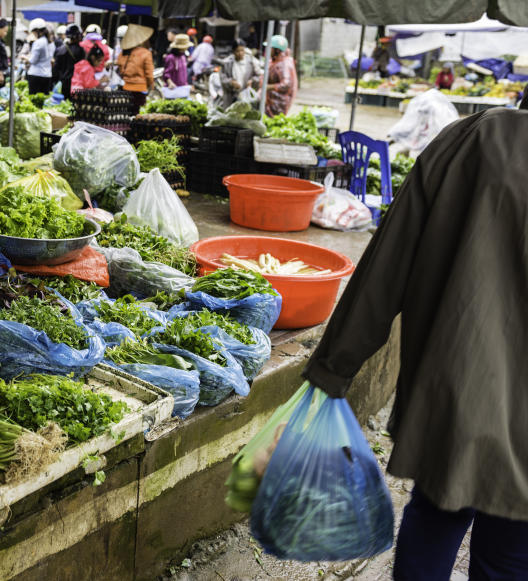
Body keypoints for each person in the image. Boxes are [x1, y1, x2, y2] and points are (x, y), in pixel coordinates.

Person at [302, 106, 528, 581]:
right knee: (509, 555)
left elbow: (388, 264)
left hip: (461, 389)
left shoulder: (472, 139)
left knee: (436, 518)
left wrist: (335, 366)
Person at [116, 24, 154, 115]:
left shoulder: (122, 54)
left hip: (124, 89)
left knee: (124, 115)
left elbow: (121, 71)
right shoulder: (145, 53)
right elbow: (149, 75)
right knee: (136, 116)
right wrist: (150, 86)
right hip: (139, 90)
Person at [219, 39, 262, 107]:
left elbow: (259, 76)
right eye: (237, 51)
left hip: (246, 96)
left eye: (242, 50)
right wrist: (231, 83)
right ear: (233, 52)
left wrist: (252, 81)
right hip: (231, 97)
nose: (240, 53)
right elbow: (222, 78)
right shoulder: (227, 63)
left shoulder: (251, 62)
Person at [264, 34, 297, 117]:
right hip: (270, 102)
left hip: (278, 105)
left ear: (277, 50)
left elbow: (286, 84)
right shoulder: (275, 61)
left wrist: (268, 87)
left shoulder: (284, 64)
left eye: (270, 48)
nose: (267, 50)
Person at [54, 24, 84, 100]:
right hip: (76, 83)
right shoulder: (80, 50)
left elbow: (56, 68)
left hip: (63, 82)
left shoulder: (60, 49)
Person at [24, 18, 53, 96]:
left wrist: (25, 58)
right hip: (47, 75)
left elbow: (33, 60)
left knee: (33, 99)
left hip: (36, 74)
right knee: (44, 99)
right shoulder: (50, 42)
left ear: (37, 31)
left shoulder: (38, 42)